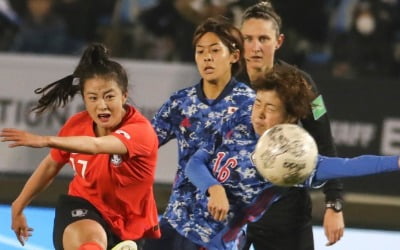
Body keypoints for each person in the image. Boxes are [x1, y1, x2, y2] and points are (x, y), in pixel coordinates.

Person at [184, 64, 400, 249]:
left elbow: (349, 165)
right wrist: (213, 188)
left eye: (269, 108)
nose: (259, 114)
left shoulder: (295, 160)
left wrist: (395, 161)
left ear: (289, 117)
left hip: (275, 229)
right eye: (257, 103)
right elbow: (194, 163)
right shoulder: (234, 130)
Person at [0, 43, 160, 250]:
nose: (101, 105)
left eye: (109, 96)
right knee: (90, 241)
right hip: (84, 208)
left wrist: (47, 140)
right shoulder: (76, 124)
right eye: (92, 98)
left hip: (131, 225)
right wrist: (18, 205)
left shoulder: (141, 131)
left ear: (124, 96)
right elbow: (51, 165)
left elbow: (96, 145)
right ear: (84, 99)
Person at [239, 1, 345, 249]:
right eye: (249, 39)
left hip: (285, 215)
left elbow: (325, 144)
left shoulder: (302, 84)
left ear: (279, 42)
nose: (256, 48)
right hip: (233, 213)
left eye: (264, 39)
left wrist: (334, 203)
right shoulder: (224, 81)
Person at [143, 17, 255, 250]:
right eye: (200, 51)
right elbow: (145, 143)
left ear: (234, 56)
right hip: (177, 217)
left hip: (220, 224)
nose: (206, 57)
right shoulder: (180, 102)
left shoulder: (250, 105)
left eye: (215, 50)